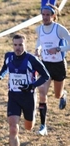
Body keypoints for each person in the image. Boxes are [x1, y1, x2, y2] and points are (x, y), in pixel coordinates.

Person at [0, 34, 50, 146]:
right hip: (13, 97)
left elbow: (46, 75)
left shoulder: (32, 59)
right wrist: (0, 76)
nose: (18, 48)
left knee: (29, 127)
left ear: (25, 45)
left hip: (28, 98)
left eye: (20, 45)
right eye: (15, 45)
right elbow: (5, 67)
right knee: (13, 128)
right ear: (12, 45)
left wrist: (32, 85)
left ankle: (37, 118)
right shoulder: (9, 56)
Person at [34, 4, 70, 136]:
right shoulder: (39, 29)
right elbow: (40, 41)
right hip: (45, 65)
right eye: (43, 15)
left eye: (47, 15)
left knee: (56, 95)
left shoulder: (59, 29)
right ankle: (43, 126)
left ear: (53, 16)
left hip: (59, 65)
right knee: (42, 93)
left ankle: (63, 94)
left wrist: (59, 49)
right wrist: (37, 49)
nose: (45, 17)